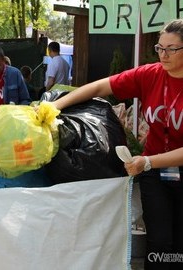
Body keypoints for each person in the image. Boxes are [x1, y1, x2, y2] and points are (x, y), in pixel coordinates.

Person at [49, 19, 183, 270]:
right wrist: (56, 105)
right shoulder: (150, 74)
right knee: (160, 242)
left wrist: (149, 161)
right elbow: (101, 86)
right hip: (153, 171)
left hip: (156, 163)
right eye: (159, 47)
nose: (163, 55)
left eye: (171, 49)